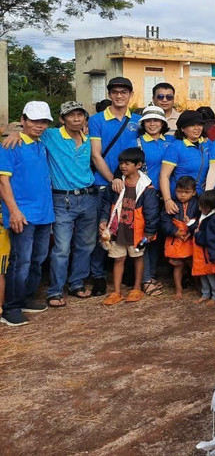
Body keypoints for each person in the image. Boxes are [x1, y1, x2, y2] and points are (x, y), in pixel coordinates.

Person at [6, 101, 96, 305]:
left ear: (85, 119)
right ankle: (55, 290)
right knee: (61, 247)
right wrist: (16, 132)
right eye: (71, 115)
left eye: (80, 115)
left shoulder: (88, 138)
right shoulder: (51, 135)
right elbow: (28, 126)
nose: (76, 119)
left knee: (86, 245)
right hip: (62, 198)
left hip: (88, 197)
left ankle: (77, 283)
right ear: (62, 119)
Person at [0, 102, 55, 326]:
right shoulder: (10, 146)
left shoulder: (41, 143)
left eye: (43, 121)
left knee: (37, 259)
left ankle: (25, 298)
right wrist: (13, 211)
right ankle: (10, 307)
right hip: (22, 214)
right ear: (23, 120)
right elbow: (3, 181)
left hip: (44, 213)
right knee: (20, 261)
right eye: (33, 120)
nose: (39, 125)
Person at [88, 77, 141, 296]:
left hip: (130, 185)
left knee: (128, 227)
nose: (120, 96)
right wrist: (112, 179)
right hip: (105, 183)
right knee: (103, 230)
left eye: (124, 92)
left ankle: (128, 273)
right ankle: (98, 276)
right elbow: (96, 154)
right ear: (109, 94)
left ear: (130, 95)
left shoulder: (137, 120)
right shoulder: (97, 120)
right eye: (115, 92)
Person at [97, 147, 160, 307]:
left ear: (138, 165)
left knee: (138, 258)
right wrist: (104, 219)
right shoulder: (117, 184)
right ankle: (117, 291)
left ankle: (137, 288)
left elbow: (152, 212)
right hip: (118, 230)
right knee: (118, 258)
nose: (122, 167)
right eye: (121, 163)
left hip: (138, 232)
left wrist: (149, 232)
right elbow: (107, 203)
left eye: (127, 163)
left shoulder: (147, 188)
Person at [135, 105, 174, 296]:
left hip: (167, 196)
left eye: (156, 120)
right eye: (148, 121)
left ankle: (154, 275)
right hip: (145, 196)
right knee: (146, 237)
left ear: (163, 123)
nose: (152, 124)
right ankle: (146, 279)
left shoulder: (172, 141)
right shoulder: (137, 142)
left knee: (161, 237)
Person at [160, 111, 209, 209]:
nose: (197, 128)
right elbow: (164, 176)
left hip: (200, 199)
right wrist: (167, 200)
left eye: (199, 124)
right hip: (179, 200)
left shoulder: (207, 144)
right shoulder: (176, 147)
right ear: (182, 128)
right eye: (192, 125)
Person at [160, 175, 198, 300]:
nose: (182, 195)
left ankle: (200, 287)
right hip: (176, 239)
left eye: (186, 192)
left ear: (193, 193)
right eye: (179, 192)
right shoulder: (171, 204)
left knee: (194, 263)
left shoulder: (197, 204)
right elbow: (164, 221)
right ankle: (178, 289)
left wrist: (191, 230)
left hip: (191, 239)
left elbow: (201, 221)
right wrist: (174, 231)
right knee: (178, 265)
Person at [192, 189, 215, 305]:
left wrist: (197, 234)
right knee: (202, 273)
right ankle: (205, 293)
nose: (200, 209)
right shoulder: (204, 216)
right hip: (201, 252)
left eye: (203, 207)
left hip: (208, 252)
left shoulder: (214, 219)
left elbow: (209, 238)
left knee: (211, 274)